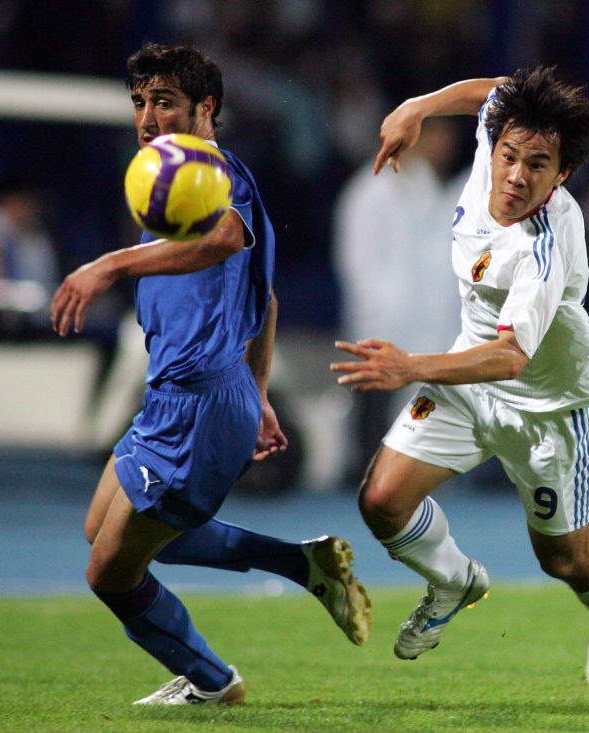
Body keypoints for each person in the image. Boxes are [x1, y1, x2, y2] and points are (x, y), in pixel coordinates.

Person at [50, 42, 371, 706]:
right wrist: (257, 391)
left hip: (196, 409)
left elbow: (225, 238)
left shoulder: (215, 175)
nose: (147, 117)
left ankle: (212, 679)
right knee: (105, 532)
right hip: (175, 397)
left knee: (109, 571)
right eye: (140, 102)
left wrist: (109, 265)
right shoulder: (171, 179)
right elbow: (266, 300)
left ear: (207, 108)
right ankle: (304, 564)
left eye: (164, 102)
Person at [331, 67, 589, 689]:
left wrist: (409, 366)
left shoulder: (545, 243)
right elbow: (498, 88)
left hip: (553, 408)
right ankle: (453, 579)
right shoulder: (494, 144)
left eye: (538, 164)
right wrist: (417, 104)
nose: (516, 175)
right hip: (467, 380)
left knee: (564, 559)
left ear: (562, 176)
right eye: (509, 156)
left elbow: (511, 359)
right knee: (382, 500)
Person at [332, 116, 464, 483]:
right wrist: (377, 313)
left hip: (424, 318)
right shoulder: (368, 191)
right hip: (381, 320)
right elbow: (356, 262)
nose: (446, 145)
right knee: (372, 405)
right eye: (439, 135)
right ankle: (362, 471)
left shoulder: (426, 187)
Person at [0, 175, 61, 336]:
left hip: (37, 310)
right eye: (24, 202)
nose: (30, 208)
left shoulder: (33, 230)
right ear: (10, 200)